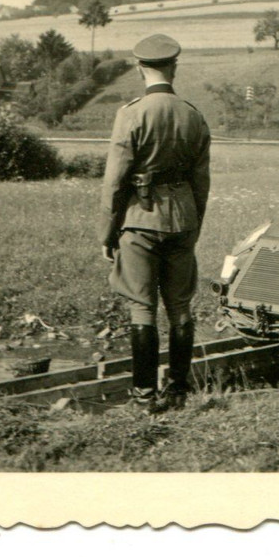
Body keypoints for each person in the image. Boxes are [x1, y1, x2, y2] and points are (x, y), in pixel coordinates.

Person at [98, 33, 211, 412]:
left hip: (140, 220)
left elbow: (115, 181)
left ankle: (144, 396)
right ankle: (178, 392)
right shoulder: (193, 114)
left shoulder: (131, 113)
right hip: (183, 222)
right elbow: (201, 181)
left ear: (139, 68)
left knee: (141, 308)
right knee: (180, 307)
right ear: (174, 68)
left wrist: (107, 232)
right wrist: (193, 224)